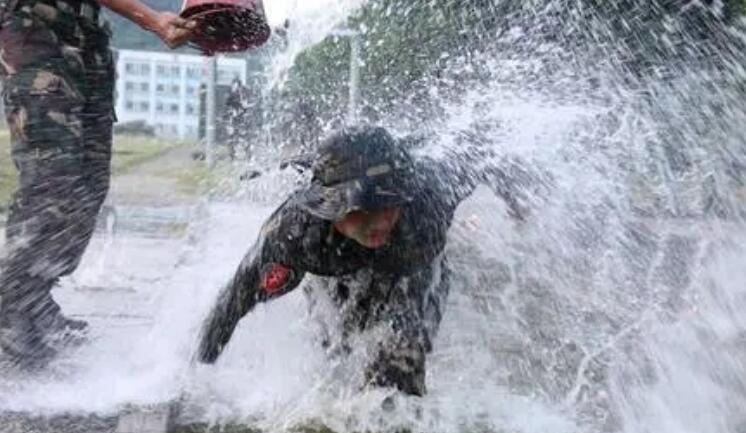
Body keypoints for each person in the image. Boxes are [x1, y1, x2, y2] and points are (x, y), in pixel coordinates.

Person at [196, 126, 530, 396]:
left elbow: (480, 151)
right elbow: (232, 304)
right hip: (336, 263)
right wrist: (199, 376)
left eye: (390, 204)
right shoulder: (295, 235)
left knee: (396, 375)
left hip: (413, 266)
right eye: (363, 210)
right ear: (330, 207)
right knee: (336, 349)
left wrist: (517, 203)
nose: (380, 221)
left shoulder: (430, 197)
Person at [0, 0, 195, 367]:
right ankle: (11, 306)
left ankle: (35, 298)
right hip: (37, 33)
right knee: (52, 182)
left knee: (89, 184)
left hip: (84, 39)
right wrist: (153, 20)